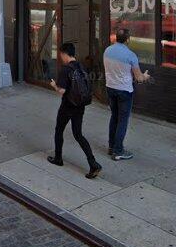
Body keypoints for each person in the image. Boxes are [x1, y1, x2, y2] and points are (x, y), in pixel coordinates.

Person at [47, 43, 102, 179]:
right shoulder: (81, 66)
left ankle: (58, 158)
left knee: (59, 130)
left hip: (67, 105)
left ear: (64, 53)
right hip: (80, 105)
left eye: (61, 54)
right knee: (78, 134)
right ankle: (93, 163)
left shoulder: (66, 69)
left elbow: (62, 91)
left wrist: (54, 85)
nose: (60, 57)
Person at [103, 29, 152, 161]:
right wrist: (145, 76)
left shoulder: (107, 51)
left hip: (110, 87)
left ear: (116, 38)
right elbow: (139, 78)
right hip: (124, 90)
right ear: (128, 39)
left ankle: (111, 147)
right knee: (122, 120)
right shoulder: (130, 55)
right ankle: (118, 151)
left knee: (114, 117)